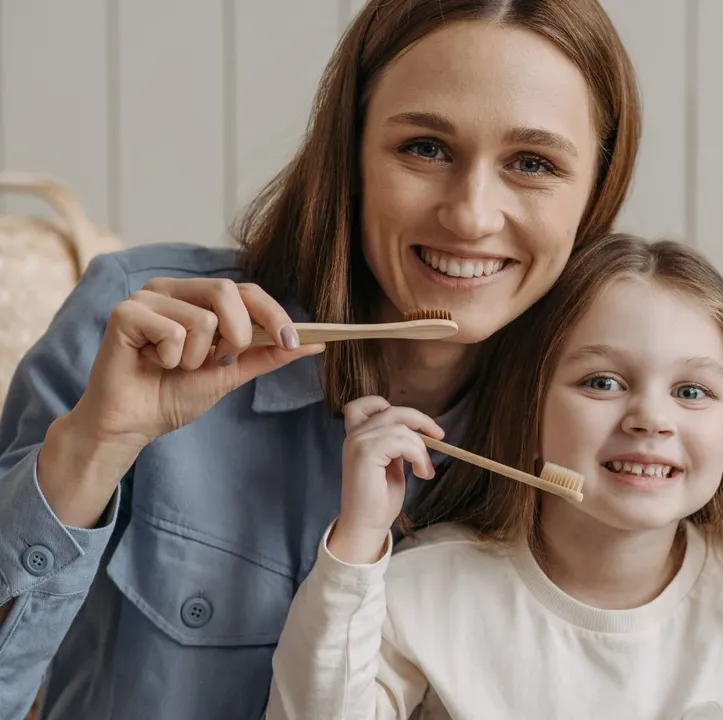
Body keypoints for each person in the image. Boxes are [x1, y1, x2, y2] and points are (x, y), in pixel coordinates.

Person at [0, 1, 640, 718]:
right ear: (351, 153)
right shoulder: (134, 328)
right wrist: (91, 451)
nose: (471, 216)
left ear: (596, 193)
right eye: (426, 147)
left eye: (533, 163)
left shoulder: (620, 433)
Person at [264, 235, 723, 720]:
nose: (651, 419)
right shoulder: (426, 591)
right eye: (603, 383)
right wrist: (360, 538)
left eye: (692, 392)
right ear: (529, 406)